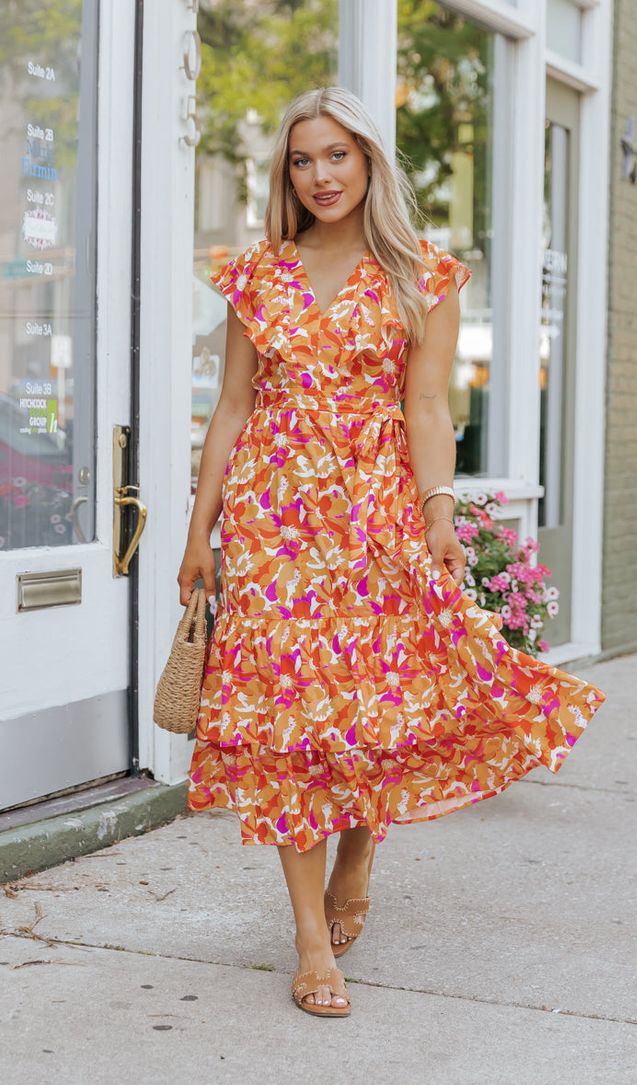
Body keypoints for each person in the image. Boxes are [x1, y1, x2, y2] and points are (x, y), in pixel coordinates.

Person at [178, 86, 606, 1018]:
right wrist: (197, 530)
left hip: (376, 517)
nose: (320, 175)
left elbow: (425, 407)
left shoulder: (422, 275)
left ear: (368, 160)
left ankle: (362, 842)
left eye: (337, 155)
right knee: (286, 722)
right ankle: (307, 945)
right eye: (302, 159)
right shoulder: (259, 274)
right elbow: (235, 407)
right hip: (274, 525)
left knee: (373, 705)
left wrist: (441, 515)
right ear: (284, 175)